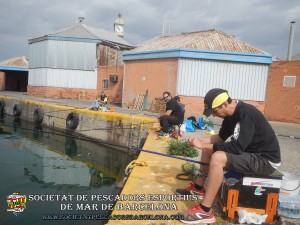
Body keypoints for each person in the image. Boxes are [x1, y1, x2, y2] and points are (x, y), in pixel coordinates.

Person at [177, 88, 281, 224]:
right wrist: (198, 141)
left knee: (218, 157)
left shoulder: (246, 113)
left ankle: (205, 211)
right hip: (250, 154)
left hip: (265, 160)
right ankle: (198, 189)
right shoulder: (228, 116)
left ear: (225, 104)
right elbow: (219, 138)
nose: (213, 115)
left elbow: (238, 148)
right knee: (208, 150)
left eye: (215, 111)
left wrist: (204, 146)